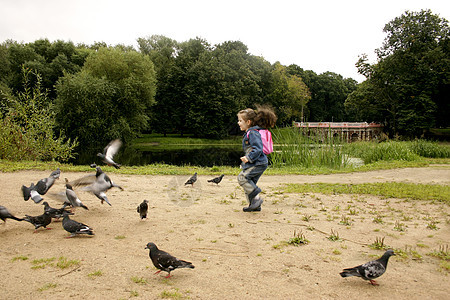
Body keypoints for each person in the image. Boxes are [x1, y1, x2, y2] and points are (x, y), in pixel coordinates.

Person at [237, 106, 277, 212]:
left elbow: (258, 149)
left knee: (242, 178)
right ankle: (254, 205)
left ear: (248, 122)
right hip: (256, 163)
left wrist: (248, 158)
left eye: (240, 120)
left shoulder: (253, 133)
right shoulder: (251, 132)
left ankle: (257, 198)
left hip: (258, 163)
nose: (238, 123)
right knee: (249, 183)